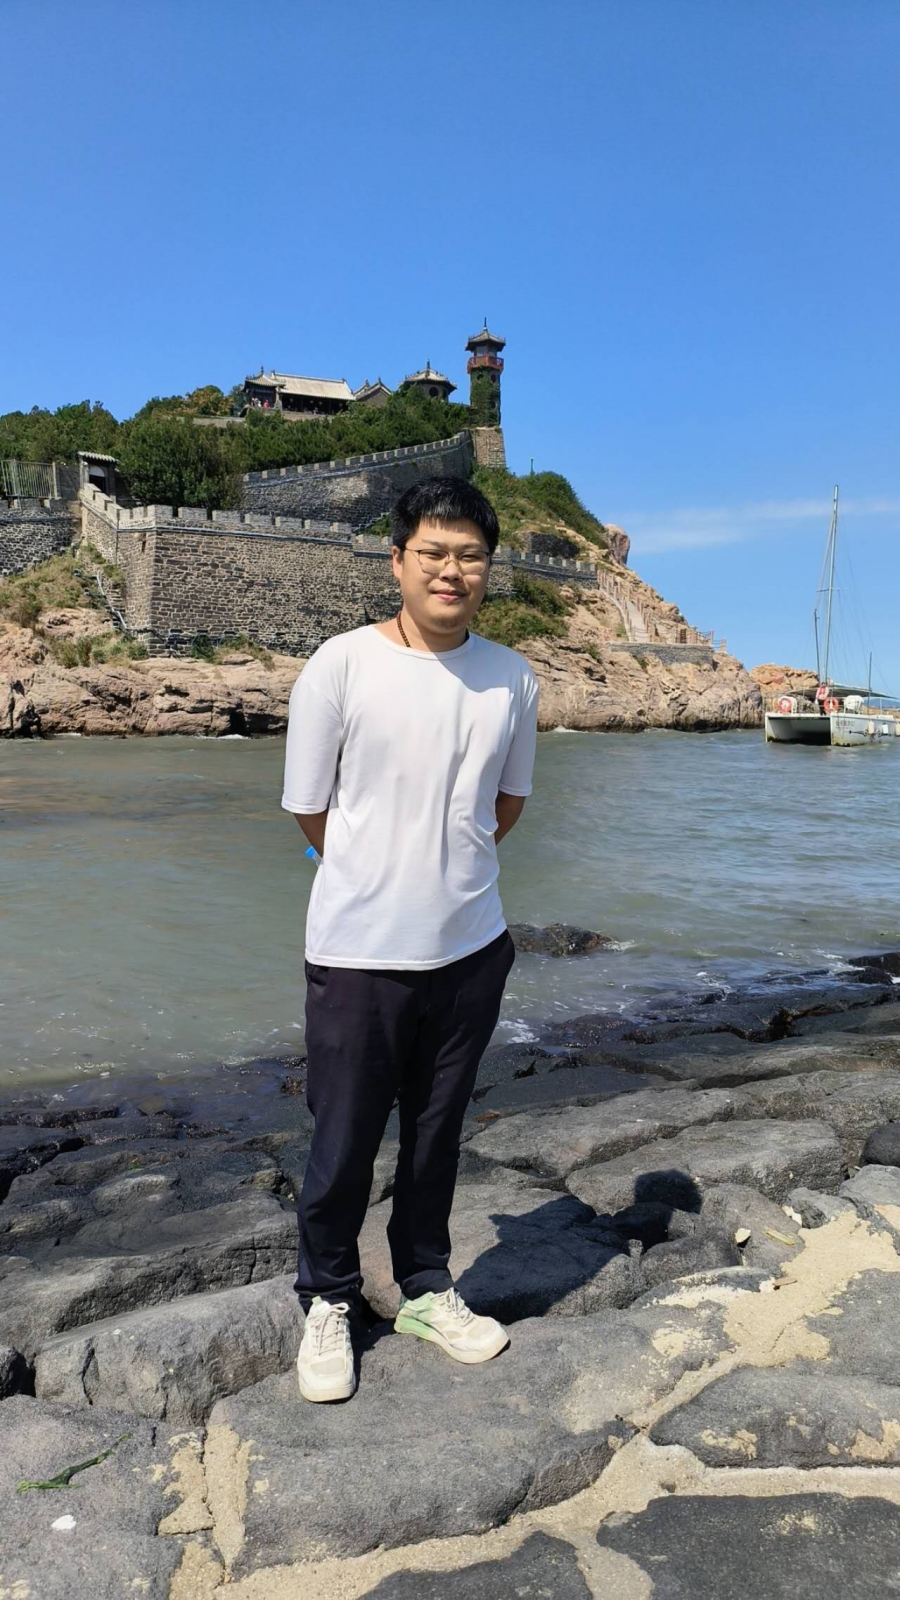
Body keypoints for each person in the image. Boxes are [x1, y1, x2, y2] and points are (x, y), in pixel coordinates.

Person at [281, 475, 539, 1403]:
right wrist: (380, 872)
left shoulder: (513, 677)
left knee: (437, 1136)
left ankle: (425, 1285)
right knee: (344, 1138)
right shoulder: (341, 665)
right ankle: (328, 1299)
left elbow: (505, 804)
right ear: (396, 561)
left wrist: (444, 869)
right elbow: (309, 809)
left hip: (472, 949)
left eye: (470, 556)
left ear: (487, 569)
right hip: (358, 953)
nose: (451, 570)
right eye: (432, 552)